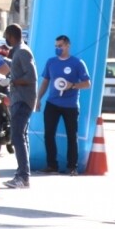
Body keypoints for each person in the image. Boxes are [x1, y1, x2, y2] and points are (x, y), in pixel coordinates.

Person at [35, 35, 91, 176]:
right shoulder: (51, 62)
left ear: (67, 46)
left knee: (72, 136)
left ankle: (72, 167)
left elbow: (87, 84)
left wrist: (72, 85)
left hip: (70, 105)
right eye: (56, 46)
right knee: (49, 134)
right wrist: (38, 98)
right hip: (52, 104)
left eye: (60, 46)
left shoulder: (77, 63)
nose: (57, 48)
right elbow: (45, 82)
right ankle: (52, 165)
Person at [2, 23, 38, 189]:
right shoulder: (18, 51)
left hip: (23, 100)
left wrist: (12, 81)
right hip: (19, 99)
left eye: (6, 36)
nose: (5, 39)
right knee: (21, 137)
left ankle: (23, 176)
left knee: (17, 137)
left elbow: (31, 77)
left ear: (11, 36)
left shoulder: (23, 51)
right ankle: (23, 175)